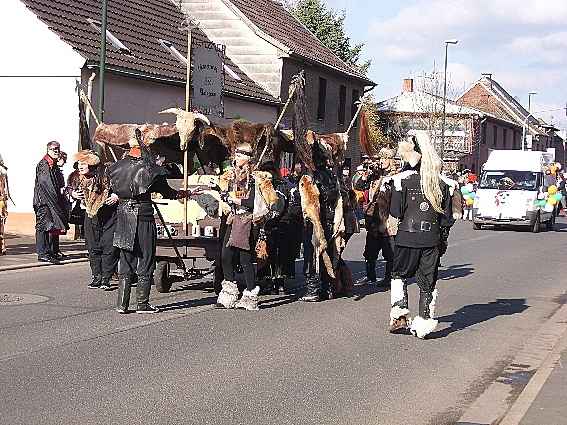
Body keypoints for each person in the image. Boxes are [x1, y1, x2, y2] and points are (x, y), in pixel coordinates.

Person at [108, 129, 192, 314]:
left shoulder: (115, 167)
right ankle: (142, 304)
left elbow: (112, 188)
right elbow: (167, 191)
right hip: (143, 217)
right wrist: (184, 194)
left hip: (123, 214)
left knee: (126, 259)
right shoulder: (149, 168)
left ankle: (122, 304)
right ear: (144, 145)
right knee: (145, 259)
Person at [388, 135, 453, 339]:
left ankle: (399, 316)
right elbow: (447, 218)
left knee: (399, 275)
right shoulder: (443, 184)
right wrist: (442, 240)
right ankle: (424, 322)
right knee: (427, 281)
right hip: (431, 239)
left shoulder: (401, 181)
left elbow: (396, 211)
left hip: (406, 237)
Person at [217, 144, 284, 311]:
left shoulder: (257, 178)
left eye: (240, 155)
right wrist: (223, 194)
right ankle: (230, 292)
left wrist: (233, 198)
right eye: (236, 154)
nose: (236, 157)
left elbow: (250, 201)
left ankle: (250, 294)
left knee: (245, 258)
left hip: (249, 220)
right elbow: (235, 195)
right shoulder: (232, 176)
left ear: (247, 158)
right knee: (225, 256)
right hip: (234, 219)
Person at [72, 150, 119, 290]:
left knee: (108, 246)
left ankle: (106, 278)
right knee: (93, 247)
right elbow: (68, 189)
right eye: (79, 163)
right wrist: (73, 193)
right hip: (90, 214)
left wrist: (116, 196)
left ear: (91, 164)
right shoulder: (77, 177)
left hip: (109, 214)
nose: (80, 166)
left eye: (83, 163)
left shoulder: (106, 174)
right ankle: (96, 276)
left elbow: (121, 186)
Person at [33, 141, 70, 264]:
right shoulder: (44, 164)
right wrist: (56, 201)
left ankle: (49, 252)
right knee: (43, 227)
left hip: (49, 201)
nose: (56, 151)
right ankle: (43, 253)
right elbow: (46, 185)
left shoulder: (52, 165)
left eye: (57, 149)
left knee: (49, 227)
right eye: (53, 149)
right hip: (44, 202)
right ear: (48, 150)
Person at [0, 153, 9, 255]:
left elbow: (3, 188)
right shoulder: (2, 171)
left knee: (1, 222)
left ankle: (1, 246)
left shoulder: (2, 171)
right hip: (1, 200)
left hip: (1, 200)